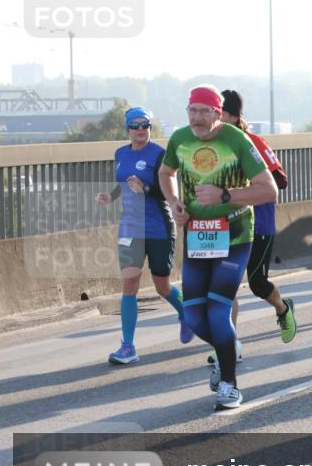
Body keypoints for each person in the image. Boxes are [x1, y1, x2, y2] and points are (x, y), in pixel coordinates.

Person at [159, 85, 279, 410]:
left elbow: (269, 190)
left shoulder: (237, 140)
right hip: (197, 235)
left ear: (218, 113)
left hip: (235, 235)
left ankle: (229, 385)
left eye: (204, 111)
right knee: (194, 316)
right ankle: (228, 350)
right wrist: (174, 202)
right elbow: (165, 172)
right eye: (192, 111)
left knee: (217, 310)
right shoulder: (180, 139)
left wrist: (226, 195)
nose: (197, 118)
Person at [95, 106, 190, 364]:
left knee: (162, 287)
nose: (140, 130)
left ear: (150, 127)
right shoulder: (120, 154)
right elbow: (125, 182)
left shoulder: (160, 155)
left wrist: (145, 188)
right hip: (131, 227)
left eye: (145, 125)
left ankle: (185, 314)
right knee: (129, 284)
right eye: (135, 125)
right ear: (127, 129)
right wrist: (110, 197)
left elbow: (167, 191)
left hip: (158, 227)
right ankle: (128, 346)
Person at [216, 90, 296, 361]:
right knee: (225, 286)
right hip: (227, 226)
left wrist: (244, 184)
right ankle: (228, 345)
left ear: (232, 116)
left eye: (218, 114)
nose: (213, 120)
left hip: (259, 224)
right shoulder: (211, 147)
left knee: (258, 283)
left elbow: (280, 180)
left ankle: (283, 308)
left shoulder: (253, 142)